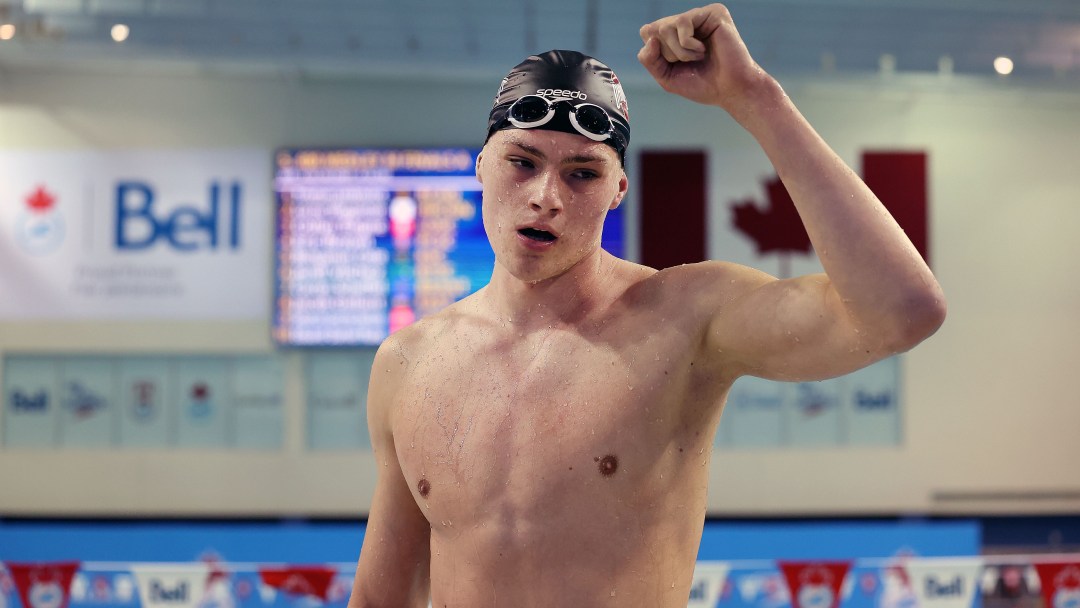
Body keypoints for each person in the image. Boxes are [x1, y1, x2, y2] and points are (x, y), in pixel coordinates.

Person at [348, 4, 946, 607]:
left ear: (618, 191)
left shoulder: (685, 320)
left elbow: (903, 310)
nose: (545, 197)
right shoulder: (408, 361)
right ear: (481, 165)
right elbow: (381, 598)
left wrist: (757, 99)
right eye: (522, 163)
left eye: (582, 174)